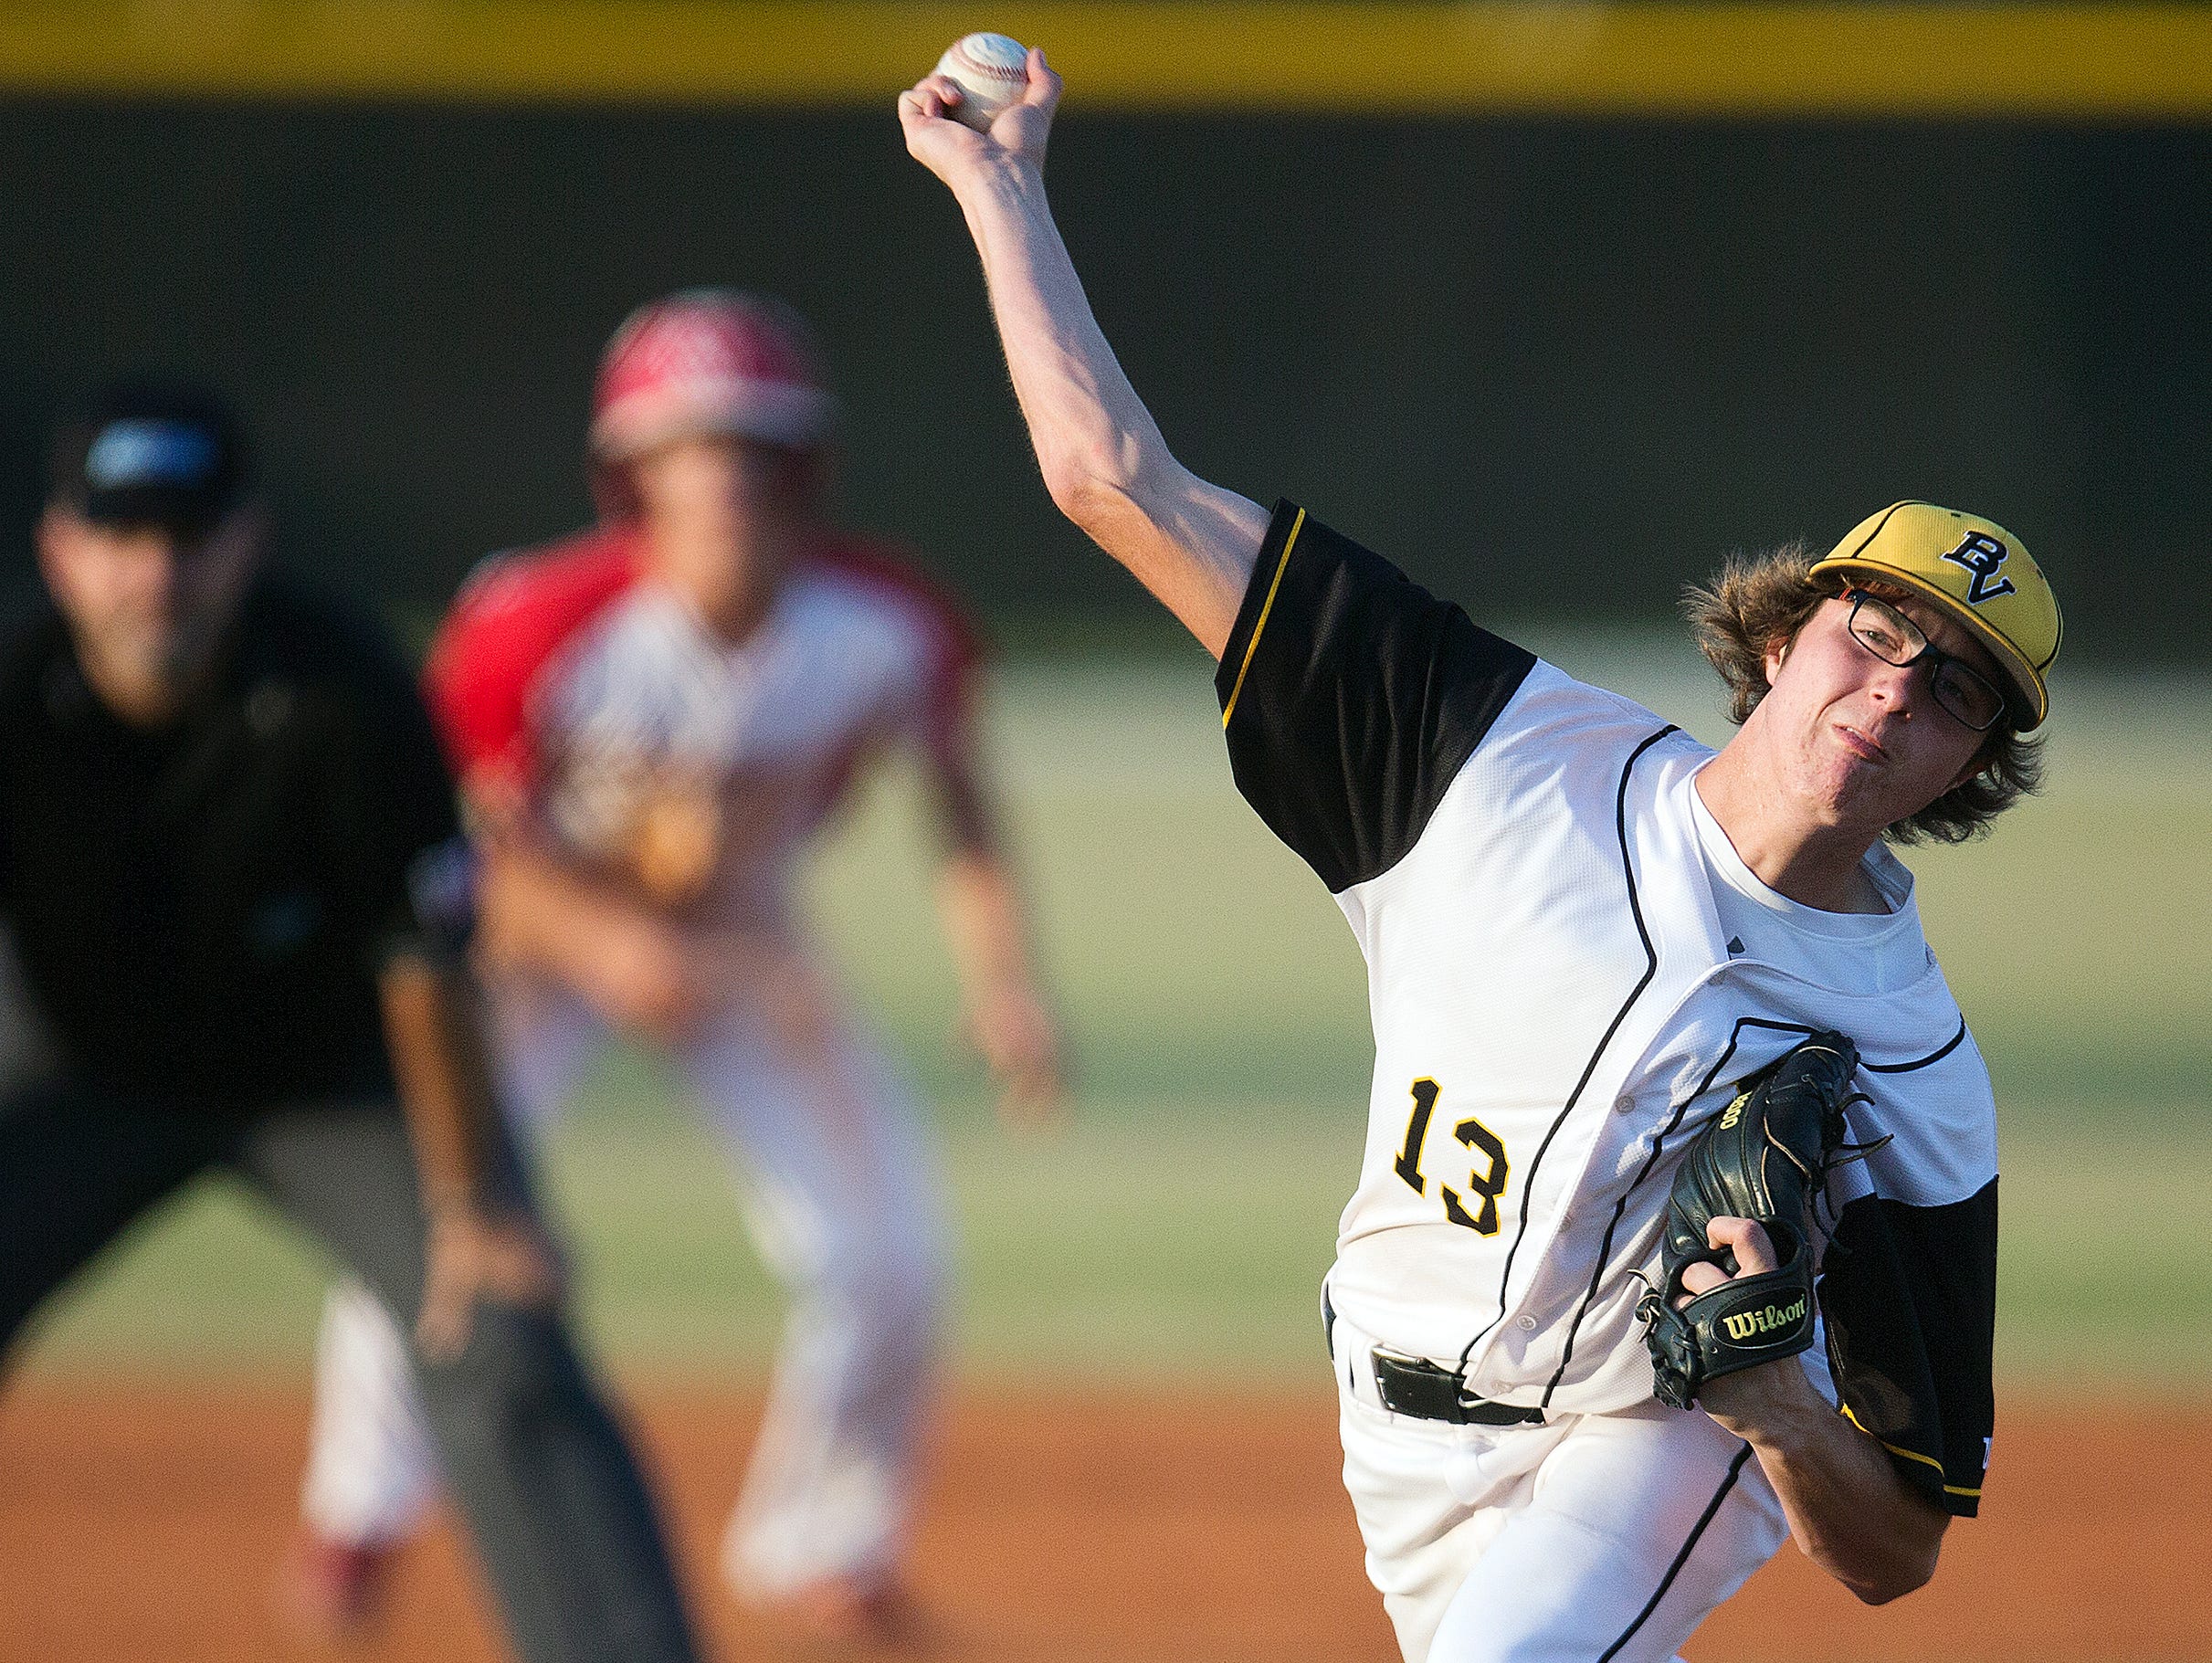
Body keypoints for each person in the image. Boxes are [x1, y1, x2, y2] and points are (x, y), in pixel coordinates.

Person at [900, 54, 2059, 1663]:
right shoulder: (1490, 752)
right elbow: (1116, 482)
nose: (1890, 696)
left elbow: (1897, 1549)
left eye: (1949, 694)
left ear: (1969, 772)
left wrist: (1781, 1407)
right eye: (1872, 637)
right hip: (1383, 1407)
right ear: (1785, 631)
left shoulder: (1915, 1071)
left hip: (1647, 1454)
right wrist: (998, 185)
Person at [290, 289, 1065, 1645]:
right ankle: (357, 1515)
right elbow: (448, 848)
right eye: (683, 446)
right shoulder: (534, 622)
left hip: (742, 936)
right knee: (425, 1220)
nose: (717, 477)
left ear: (802, 468)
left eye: (750, 445)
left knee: (887, 1247)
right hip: (532, 941)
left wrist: (1004, 983)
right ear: (626, 474)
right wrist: (601, 937)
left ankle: (827, 1539)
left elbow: (960, 802)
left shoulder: (887, 622)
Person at [0, 381, 704, 1663]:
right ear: (61, 548)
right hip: (78, 1070)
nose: (155, 572)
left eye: (187, 533)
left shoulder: (343, 687)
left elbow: (425, 960)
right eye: (121, 533)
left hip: (330, 1078)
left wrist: (475, 1204)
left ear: (246, 540)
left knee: (498, 1323)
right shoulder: (12, 696)